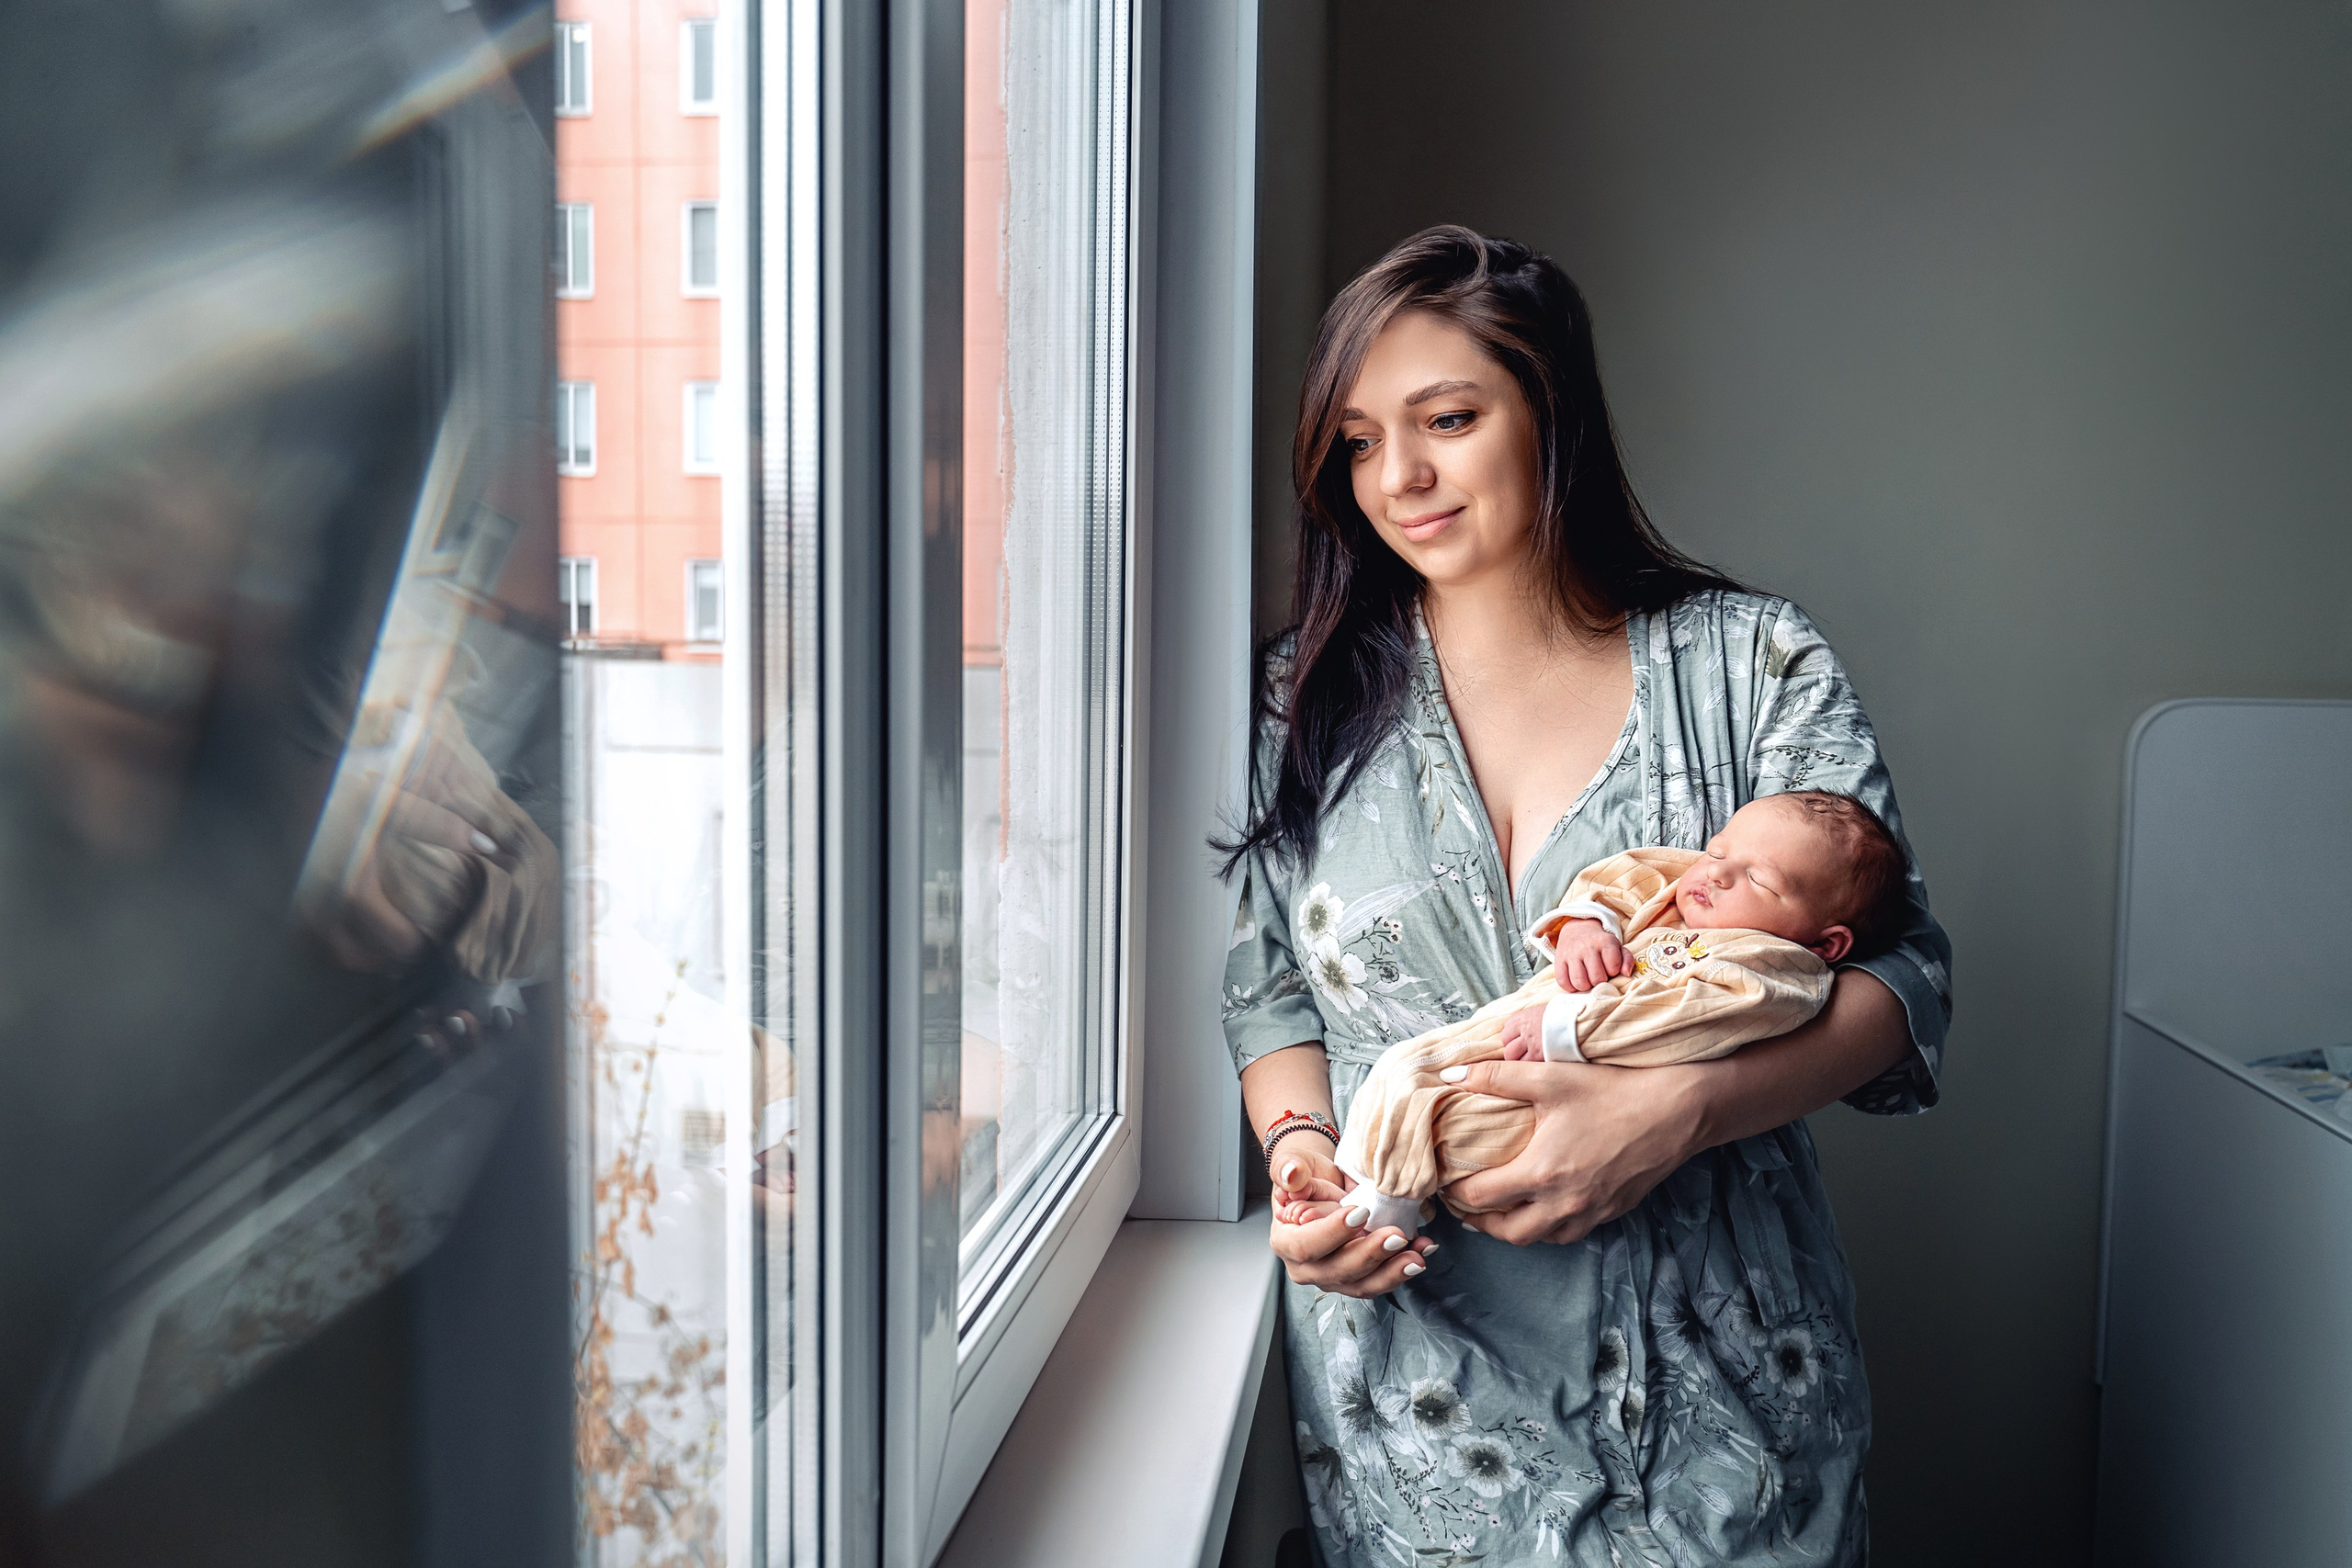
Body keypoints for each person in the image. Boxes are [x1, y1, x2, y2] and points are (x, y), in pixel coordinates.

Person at [1218, 225, 1951, 1565]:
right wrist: (1301, 1160)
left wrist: (1676, 1107)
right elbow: (1267, 989)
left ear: (1548, 414)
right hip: (1423, 1405)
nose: (1402, 476)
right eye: (1362, 439)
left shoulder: (1752, 662)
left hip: (1726, 1393)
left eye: (1448, 418)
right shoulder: (1296, 702)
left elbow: (1905, 978)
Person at [1295, 791, 1910, 1238]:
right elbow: (1630, 873)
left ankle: (1377, 1217)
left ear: (1826, 944)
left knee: (1455, 1127)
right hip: (1516, 1027)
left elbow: (1678, 1016)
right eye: (1719, 848)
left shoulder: (1773, 969)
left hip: (1563, 1085)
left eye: (1757, 877)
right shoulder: (1696, 891)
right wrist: (1588, 923)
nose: (1714, 870)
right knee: (1402, 1069)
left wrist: (1571, 1026)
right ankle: (1359, 1191)